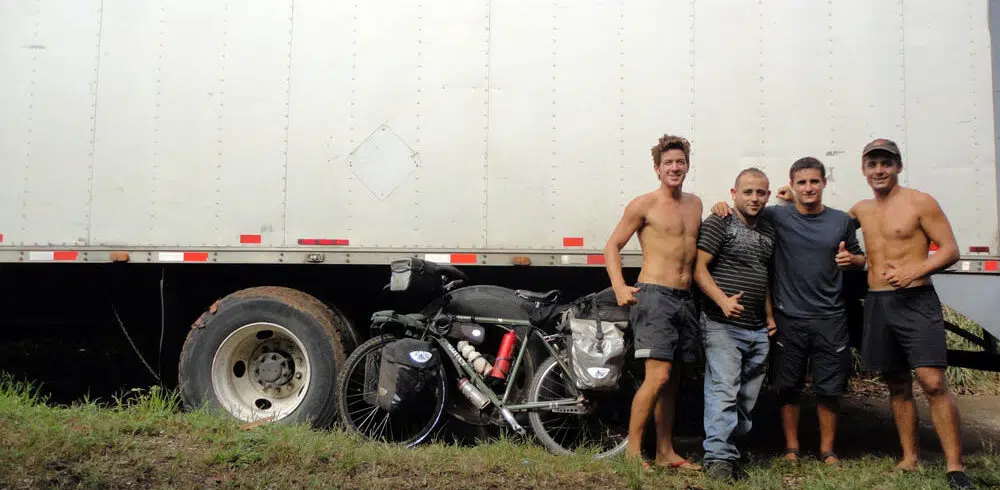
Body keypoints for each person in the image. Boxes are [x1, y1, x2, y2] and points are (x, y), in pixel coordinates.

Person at [710, 157, 865, 466]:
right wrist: (719, 206)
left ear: (824, 183)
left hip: (831, 317)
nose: (809, 188)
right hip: (789, 317)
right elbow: (744, 207)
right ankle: (791, 449)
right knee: (788, 387)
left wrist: (854, 262)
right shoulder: (776, 216)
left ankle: (828, 450)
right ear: (792, 185)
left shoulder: (841, 221)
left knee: (829, 389)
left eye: (814, 181)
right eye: (802, 183)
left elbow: (860, 258)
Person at [849, 139, 973, 490]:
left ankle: (955, 467)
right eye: (872, 164)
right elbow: (822, 222)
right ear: (863, 170)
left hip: (915, 299)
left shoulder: (920, 202)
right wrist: (790, 200)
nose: (879, 170)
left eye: (886, 163)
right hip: (878, 301)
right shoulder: (860, 209)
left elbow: (950, 250)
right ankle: (909, 458)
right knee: (896, 382)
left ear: (899, 166)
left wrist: (914, 270)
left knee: (932, 382)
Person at [603, 134, 703, 471]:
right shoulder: (643, 204)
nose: (675, 168)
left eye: (680, 162)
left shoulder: (696, 204)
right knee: (657, 377)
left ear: (687, 165)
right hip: (655, 296)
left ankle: (664, 452)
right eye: (668, 163)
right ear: (657, 168)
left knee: (671, 381)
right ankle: (633, 454)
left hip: (685, 298)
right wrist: (619, 286)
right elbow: (612, 246)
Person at [693, 167, 777, 481]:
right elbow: (699, 269)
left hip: (757, 328)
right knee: (724, 392)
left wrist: (769, 315)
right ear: (734, 194)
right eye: (748, 192)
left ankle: (730, 449)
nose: (754, 198)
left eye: (760, 193)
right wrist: (723, 301)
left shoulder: (768, 230)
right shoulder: (720, 222)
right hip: (722, 325)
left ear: (767, 196)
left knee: (745, 397)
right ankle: (718, 459)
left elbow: (762, 274)